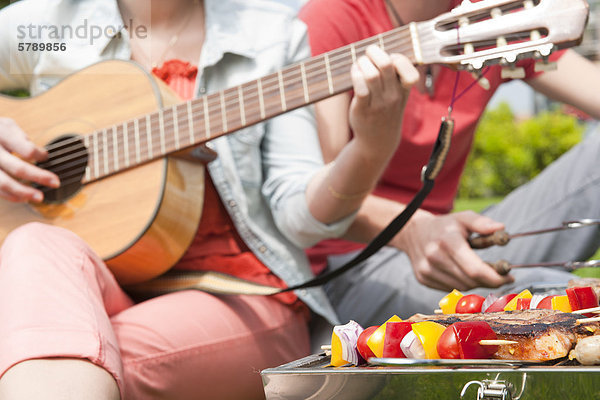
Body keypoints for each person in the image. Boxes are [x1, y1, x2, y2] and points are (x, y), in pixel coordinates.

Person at [0, 0, 418, 398]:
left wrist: (369, 149)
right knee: (33, 240)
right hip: (92, 287)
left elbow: (300, 219)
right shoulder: (49, 24)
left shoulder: (269, 35)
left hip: (238, 296)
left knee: (47, 353)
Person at [299, 0, 600, 329]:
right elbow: (316, 191)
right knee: (552, 294)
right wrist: (412, 231)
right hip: (350, 265)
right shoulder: (333, 16)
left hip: (452, 240)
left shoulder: (490, 18)